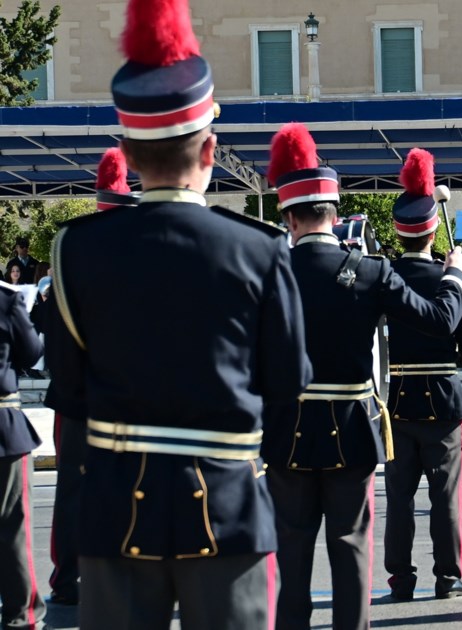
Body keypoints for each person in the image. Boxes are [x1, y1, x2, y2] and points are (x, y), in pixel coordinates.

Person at [44, 0, 314, 625]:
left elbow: (70, 390)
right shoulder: (259, 249)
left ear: (128, 154)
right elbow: (288, 386)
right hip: (228, 508)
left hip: (115, 514)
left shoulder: (77, 249)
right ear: (210, 149)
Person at [263, 131, 462, 627]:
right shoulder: (370, 271)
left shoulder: (266, 269)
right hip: (350, 430)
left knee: (290, 550)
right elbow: (440, 320)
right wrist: (457, 276)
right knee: (351, 547)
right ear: (335, 214)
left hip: (286, 430)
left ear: (289, 218)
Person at [385, 149, 462, 602]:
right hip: (442, 402)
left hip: (398, 400)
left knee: (399, 500)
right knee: (445, 498)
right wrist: (459, 280)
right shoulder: (450, 279)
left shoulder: (383, 277)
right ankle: (448, 576)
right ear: (432, 231)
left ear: (398, 231)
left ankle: (400, 579)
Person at [44, 146, 139, 607]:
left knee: (72, 491)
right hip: (128, 398)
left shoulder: (70, 248)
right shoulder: (143, 254)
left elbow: (53, 336)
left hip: (77, 397)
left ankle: (67, 580)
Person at [0, 280, 44, 630]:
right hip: (3, 426)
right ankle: (20, 617)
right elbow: (31, 353)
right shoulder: (6, 300)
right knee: (14, 527)